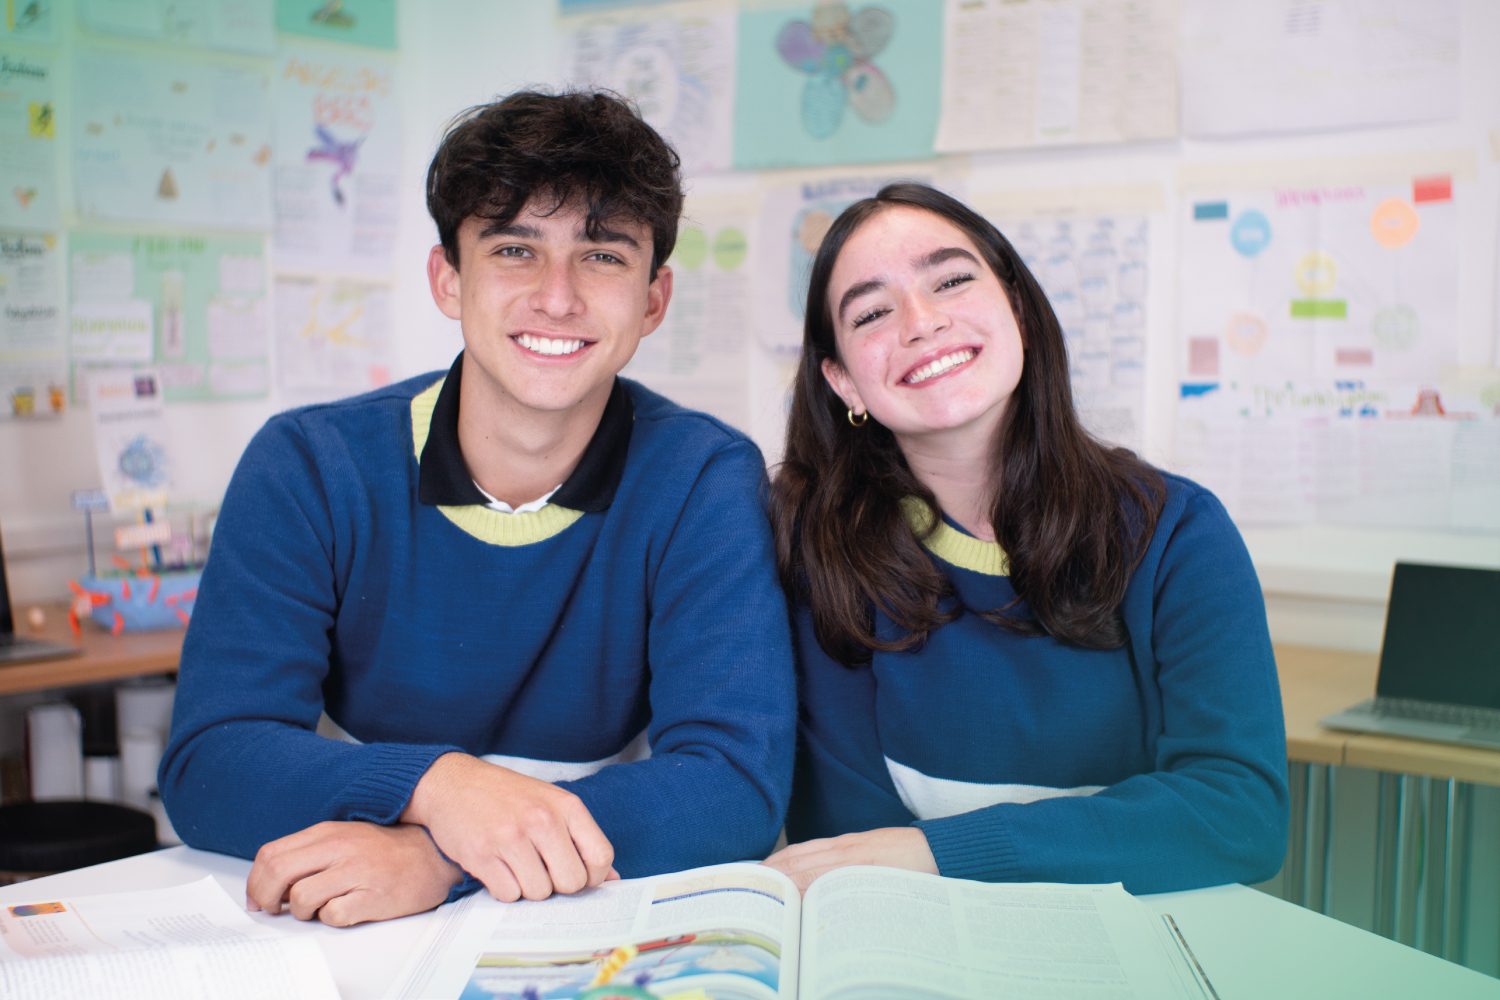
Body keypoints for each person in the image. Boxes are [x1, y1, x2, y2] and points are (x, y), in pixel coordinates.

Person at [160, 91, 795, 926]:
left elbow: (732, 782)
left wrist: (448, 855)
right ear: (448, 279)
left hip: (579, 924)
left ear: (653, 298)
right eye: (514, 250)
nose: (557, 297)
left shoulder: (704, 477)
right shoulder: (310, 466)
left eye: (602, 256)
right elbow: (212, 761)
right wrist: (439, 786)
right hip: (353, 936)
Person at [762, 183, 1288, 894]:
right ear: (844, 382)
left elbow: (1239, 814)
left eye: (950, 279)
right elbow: (851, 847)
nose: (921, 322)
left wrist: (940, 852)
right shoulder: (812, 550)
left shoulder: (1180, 534)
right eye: (873, 312)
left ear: (1021, 312)